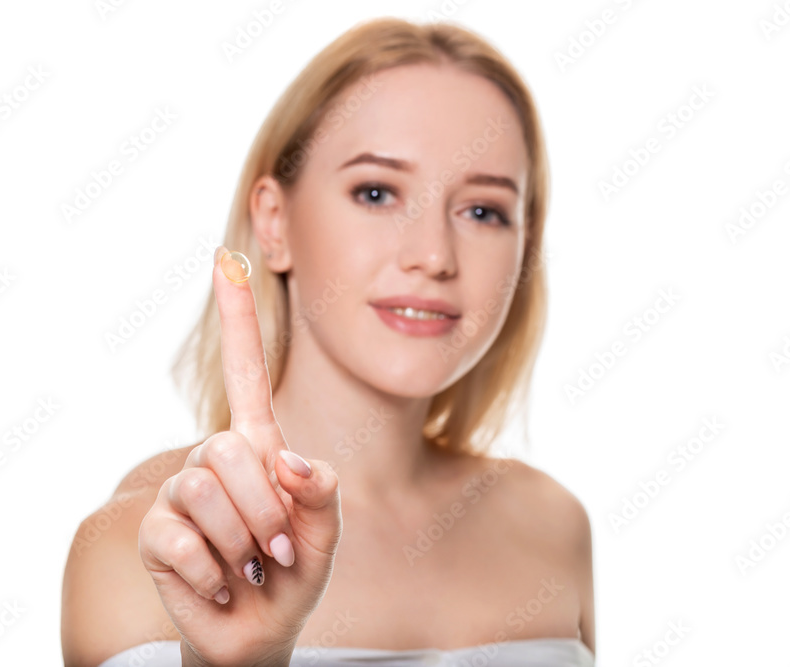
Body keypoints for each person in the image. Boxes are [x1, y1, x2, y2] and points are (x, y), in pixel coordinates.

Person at [62, 16, 595, 667]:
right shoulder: (149, 550)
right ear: (274, 221)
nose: (433, 255)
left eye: (483, 210)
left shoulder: (554, 524)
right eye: (376, 192)